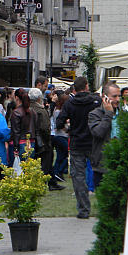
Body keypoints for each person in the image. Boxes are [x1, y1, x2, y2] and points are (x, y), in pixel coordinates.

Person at [56, 77, 101, 219]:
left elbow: (59, 122)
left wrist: (68, 129)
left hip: (76, 142)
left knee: (78, 177)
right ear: (87, 86)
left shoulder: (70, 103)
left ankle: (83, 209)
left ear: (74, 89)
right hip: (93, 142)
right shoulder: (95, 102)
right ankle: (103, 206)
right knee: (99, 172)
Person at [29, 88, 65, 191]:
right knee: (47, 161)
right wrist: (47, 140)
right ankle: (48, 182)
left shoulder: (27, 108)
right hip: (42, 140)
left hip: (31, 139)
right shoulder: (40, 110)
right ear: (39, 98)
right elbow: (44, 127)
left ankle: (51, 181)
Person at [88, 83, 121, 188]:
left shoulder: (123, 113)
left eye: (119, 96)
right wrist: (108, 114)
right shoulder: (95, 114)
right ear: (104, 97)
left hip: (120, 161)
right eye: (114, 96)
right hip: (102, 163)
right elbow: (98, 133)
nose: (118, 99)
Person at [10, 88, 36, 162]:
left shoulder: (16, 112)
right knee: (29, 168)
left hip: (20, 143)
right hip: (31, 142)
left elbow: (16, 132)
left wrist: (15, 147)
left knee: (17, 169)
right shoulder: (32, 111)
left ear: (16, 98)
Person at [52, 93, 70, 182]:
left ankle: (56, 172)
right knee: (67, 153)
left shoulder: (57, 110)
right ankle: (59, 171)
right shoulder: (58, 112)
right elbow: (59, 124)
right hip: (61, 136)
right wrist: (67, 129)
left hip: (59, 136)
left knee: (60, 155)